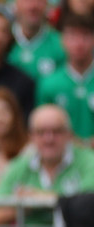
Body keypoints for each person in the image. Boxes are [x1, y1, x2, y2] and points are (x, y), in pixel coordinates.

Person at [0, 105, 94, 227]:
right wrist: (23, 207)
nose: (49, 139)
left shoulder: (89, 162)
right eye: (41, 132)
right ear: (31, 136)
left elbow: (90, 206)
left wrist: (40, 198)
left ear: (69, 134)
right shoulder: (18, 167)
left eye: (56, 131)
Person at [36, 13, 94, 145]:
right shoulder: (49, 83)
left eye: (85, 35)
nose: (79, 43)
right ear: (62, 40)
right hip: (63, 152)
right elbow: (43, 124)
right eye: (73, 36)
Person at [8, 0, 66, 80]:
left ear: (47, 5)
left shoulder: (62, 44)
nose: (33, 6)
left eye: (39, 1)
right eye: (27, 1)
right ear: (15, 5)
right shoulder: (3, 40)